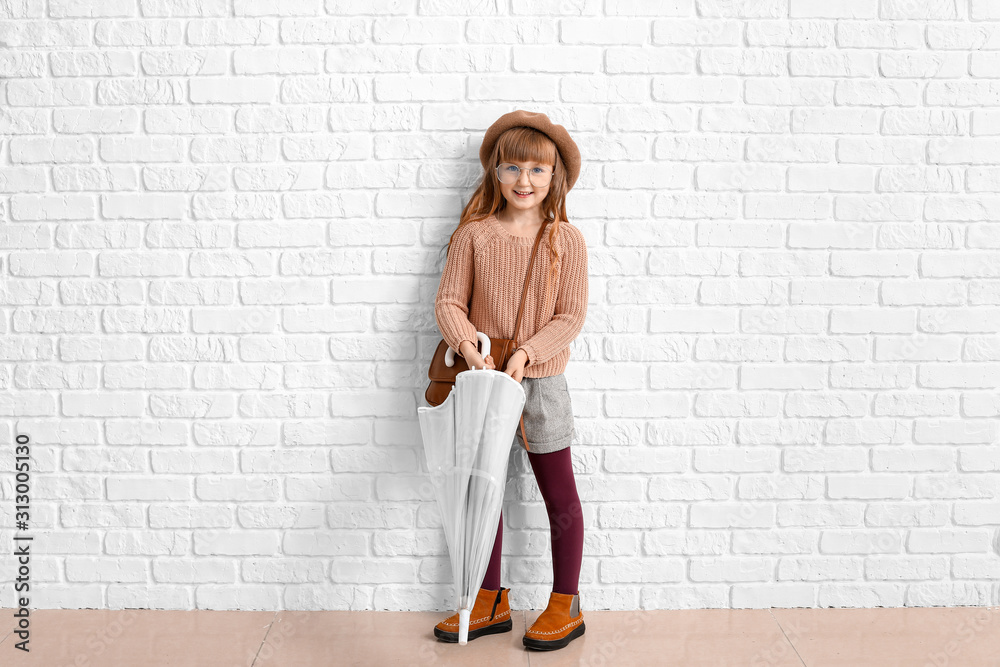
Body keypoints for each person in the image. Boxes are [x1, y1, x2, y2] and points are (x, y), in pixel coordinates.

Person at [431, 110, 589, 651]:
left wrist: (526, 353)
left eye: (538, 170)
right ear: (495, 174)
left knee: (558, 492)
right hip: (482, 378)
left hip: (541, 382)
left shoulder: (566, 241)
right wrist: (470, 348)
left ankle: (566, 603)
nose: (525, 181)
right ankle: (489, 597)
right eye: (513, 168)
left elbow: (570, 316)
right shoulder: (473, 235)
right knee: (483, 489)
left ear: (555, 178)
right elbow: (449, 300)